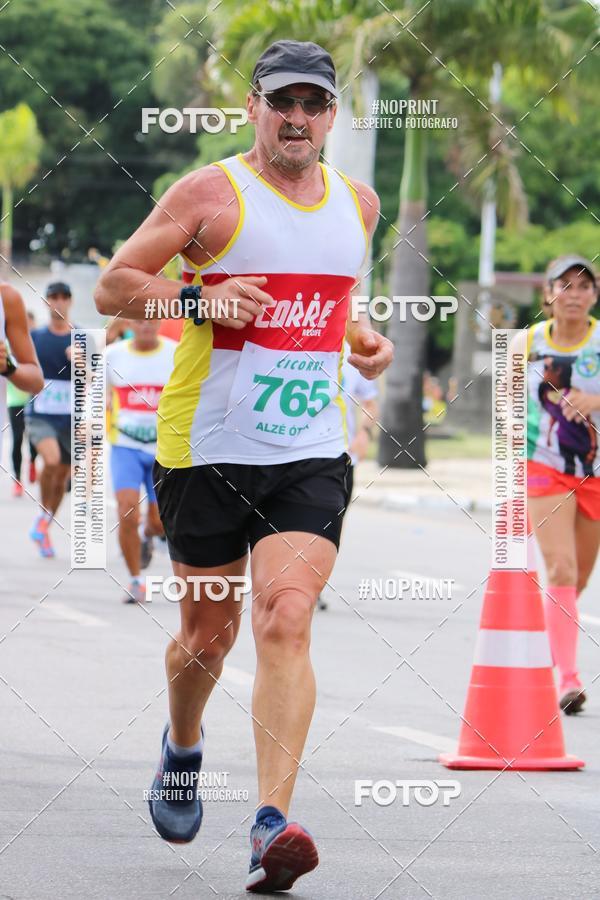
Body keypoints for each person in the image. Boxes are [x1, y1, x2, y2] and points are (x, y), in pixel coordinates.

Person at [95, 38, 392, 893]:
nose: (297, 118)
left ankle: (269, 824)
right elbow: (115, 286)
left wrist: (360, 337)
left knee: (286, 617)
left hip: (309, 449)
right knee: (208, 636)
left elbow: (332, 298)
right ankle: (183, 747)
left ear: (331, 115)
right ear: (254, 107)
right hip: (207, 447)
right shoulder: (209, 194)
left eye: (313, 103)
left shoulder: (359, 203)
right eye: (282, 101)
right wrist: (200, 296)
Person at [521, 255, 600, 714]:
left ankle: (552, 642)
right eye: (564, 285)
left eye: (583, 286)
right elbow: (505, 403)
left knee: (579, 576)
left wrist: (595, 399)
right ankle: (568, 679)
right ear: (548, 293)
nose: (574, 294)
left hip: (594, 471)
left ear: (594, 295)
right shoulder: (526, 343)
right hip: (544, 466)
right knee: (562, 569)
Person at [105, 318, 176, 602]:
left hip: (163, 450)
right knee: (127, 512)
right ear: (129, 324)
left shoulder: (175, 352)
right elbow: (95, 395)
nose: (146, 326)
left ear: (160, 322)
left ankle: (148, 537)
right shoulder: (113, 355)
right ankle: (135, 580)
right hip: (125, 446)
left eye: (151, 320)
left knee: (159, 523)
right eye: (139, 321)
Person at [318, 341, 379, 609]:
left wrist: (365, 433)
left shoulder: (353, 353)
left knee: (332, 525)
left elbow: (370, 404)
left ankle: (314, 585)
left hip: (342, 456)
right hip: (298, 454)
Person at [26, 281, 74, 558]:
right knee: (52, 461)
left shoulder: (81, 337)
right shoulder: (35, 337)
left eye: (64, 297)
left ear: (70, 301)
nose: (59, 302)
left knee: (61, 480)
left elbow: (97, 376)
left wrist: (83, 362)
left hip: (70, 418)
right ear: (46, 302)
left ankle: (43, 524)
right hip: (41, 414)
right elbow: (23, 369)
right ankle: (42, 522)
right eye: (53, 297)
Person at [0, 285, 44, 473]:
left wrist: (8, 366)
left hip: (24, 400)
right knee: (18, 438)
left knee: (26, 438)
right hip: (13, 402)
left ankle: (29, 466)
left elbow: (37, 381)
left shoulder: (6, 297)